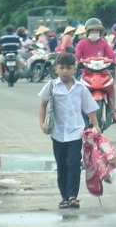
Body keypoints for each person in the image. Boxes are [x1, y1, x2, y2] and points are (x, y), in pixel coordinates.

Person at [39, 52, 102, 209]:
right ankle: (64, 197)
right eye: (62, 68)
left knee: (73, 163)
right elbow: (42, 104)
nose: (65, 71)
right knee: (61, 165)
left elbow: (89, 108)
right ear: (56, 69)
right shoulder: (52, 86)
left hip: (76, 132)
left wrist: (96, 126)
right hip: (57, 133)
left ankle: (73, 196)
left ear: (75, 69)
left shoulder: (80, 88)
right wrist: (42, 124)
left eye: (68, 68)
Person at [74, 18, 116, 123]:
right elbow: (76, 56)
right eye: (92, 30)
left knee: (111, 88)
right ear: (87, 32)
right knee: (76, 90)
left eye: (97, 31)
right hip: (86, 72)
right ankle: (75, 112)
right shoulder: (81, 43)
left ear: (100, 32)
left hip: (103, 73)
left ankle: (113, 111)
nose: (94, 33)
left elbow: (112, 55)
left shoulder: (104, 43)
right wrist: (75, 62)